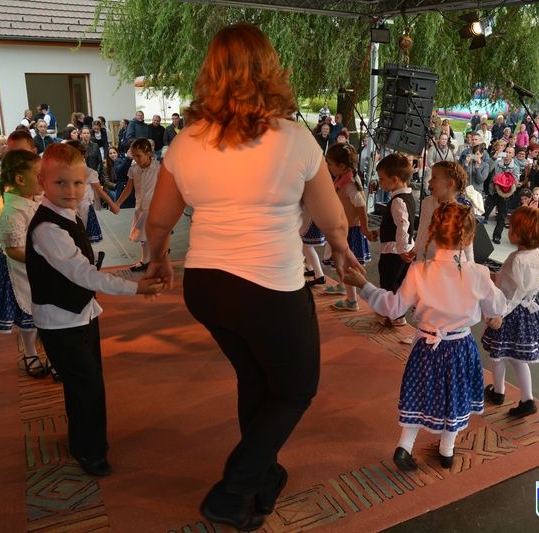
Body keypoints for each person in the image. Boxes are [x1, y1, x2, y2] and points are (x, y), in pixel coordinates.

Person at [144, 24, 360, 531]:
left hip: (206, 286)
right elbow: (332, 217)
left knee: (256, 379)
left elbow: (158, 221)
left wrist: (158, 259)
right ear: (270, 69)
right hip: (268, 288)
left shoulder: (186, 141)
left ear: (211, 73)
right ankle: (234, 488)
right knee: (296, 389)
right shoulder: (294, 137)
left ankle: (262, 483)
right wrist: (341, 248)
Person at [25, 143, 164, 477]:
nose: (71, 190)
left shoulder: (66, 213)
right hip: (60, 321)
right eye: (60, 183)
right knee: (86, 387)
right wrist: (135, 287)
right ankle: (90, 450)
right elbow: (83, 274)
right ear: (42, 181)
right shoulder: (47, 228)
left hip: (81, 313)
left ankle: (82, 440)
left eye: (77, 183)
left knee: (84, 383)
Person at [343, 203, 507, 470]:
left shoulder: (420, 270)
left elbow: (393, 308)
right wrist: (491, 299)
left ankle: (404, 446)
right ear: (468, 237)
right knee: (455, 396)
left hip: (425, 346)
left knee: (419, 394)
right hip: (460, 347)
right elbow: (497, 307)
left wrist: (364, 285)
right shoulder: (478, 273)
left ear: (432, 231)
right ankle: (446, 451)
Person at [482, 207, 539, 417]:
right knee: (518, 359)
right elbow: (519, 284)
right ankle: (527, 399)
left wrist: (499, 314)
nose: (509, 229)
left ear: (519, 234)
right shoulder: (537, 255)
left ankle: (498, 392)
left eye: (511, 227)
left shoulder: (516, 259)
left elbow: (513, 293)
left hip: (510, 313)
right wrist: (494, 276)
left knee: (497, 355)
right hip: (528, 311)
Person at [0, 150, 47, 377]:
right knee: (28, 314)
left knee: (45, 311)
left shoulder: (35, 199)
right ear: (20, 179)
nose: (44, 179)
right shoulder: (11, 211)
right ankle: (30, 352)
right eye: (39, 175)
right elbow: (13, 249)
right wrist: (42, 260)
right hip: (20, 269)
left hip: (40, 266)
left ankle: (51, 352)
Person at [321, 143, 373, 311]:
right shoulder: (343, 179)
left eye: (330, 164)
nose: (328, 167)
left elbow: (361, 206)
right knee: (342, 264)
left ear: (342, 166)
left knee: (347, 266)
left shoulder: (349, 184)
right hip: (343, 228)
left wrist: (365, 228)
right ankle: (343, 286)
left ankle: (352, 300)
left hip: (350, 231)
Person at [405, 161, 475, 263]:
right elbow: (422, 228)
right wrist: (415, 250)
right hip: (424, 258)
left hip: (446, 262)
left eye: (434, 177)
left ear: (450, 184)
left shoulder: (459, 212)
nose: (429, 181)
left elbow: (467, 243)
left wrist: (470, 264)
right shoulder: (427, 202)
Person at [374, 153, 415, 326]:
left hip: (395, 251)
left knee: (390, 282)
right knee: (397, 283)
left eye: (382, 179)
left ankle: (394, 315)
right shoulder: (406, 197)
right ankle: (395, 313)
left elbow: (403, 225)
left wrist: (402, 249)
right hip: (400, 249)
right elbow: (396, 223)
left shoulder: (398, 201)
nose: (380, 183)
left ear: (395, 179)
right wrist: (379, 231)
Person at [115, 138, 158, 271]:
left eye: (139, 156)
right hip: (140, 206)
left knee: (149, 234)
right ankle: (148, 259)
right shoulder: (133, 168)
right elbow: (128, 188)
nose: (136, 159)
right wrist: (118, 203)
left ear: (148, 153)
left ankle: (149, 259)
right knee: (143, 235)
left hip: (154, 207)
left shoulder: (158, 168)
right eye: (134, 156)